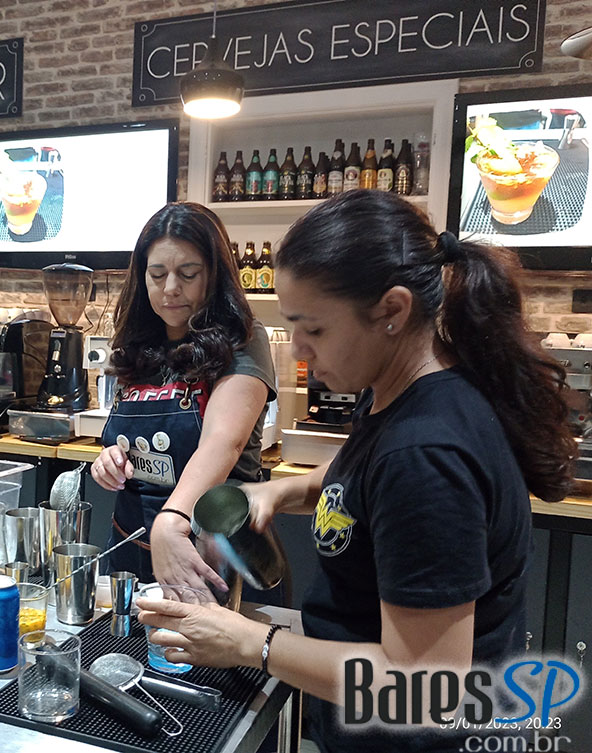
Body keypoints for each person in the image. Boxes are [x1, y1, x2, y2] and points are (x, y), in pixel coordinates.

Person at [137, 190, 576, 752]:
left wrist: (250, 642)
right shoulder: (396, 392)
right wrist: (282, 491)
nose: (300, 350)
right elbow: (360, 481)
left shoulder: (426, 455)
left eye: (314, 329)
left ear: (392, 311)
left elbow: (426, 686)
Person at [90, 201, 277, 594]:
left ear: (215, 275)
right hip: (131, 548)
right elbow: (130, 443)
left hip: (215, 554)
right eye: (157, 275)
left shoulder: (243, 339)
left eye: (188, 274)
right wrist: (109, 462)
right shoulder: (136, 346)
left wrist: (172, 519)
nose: (171, 288)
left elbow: (223, 442)